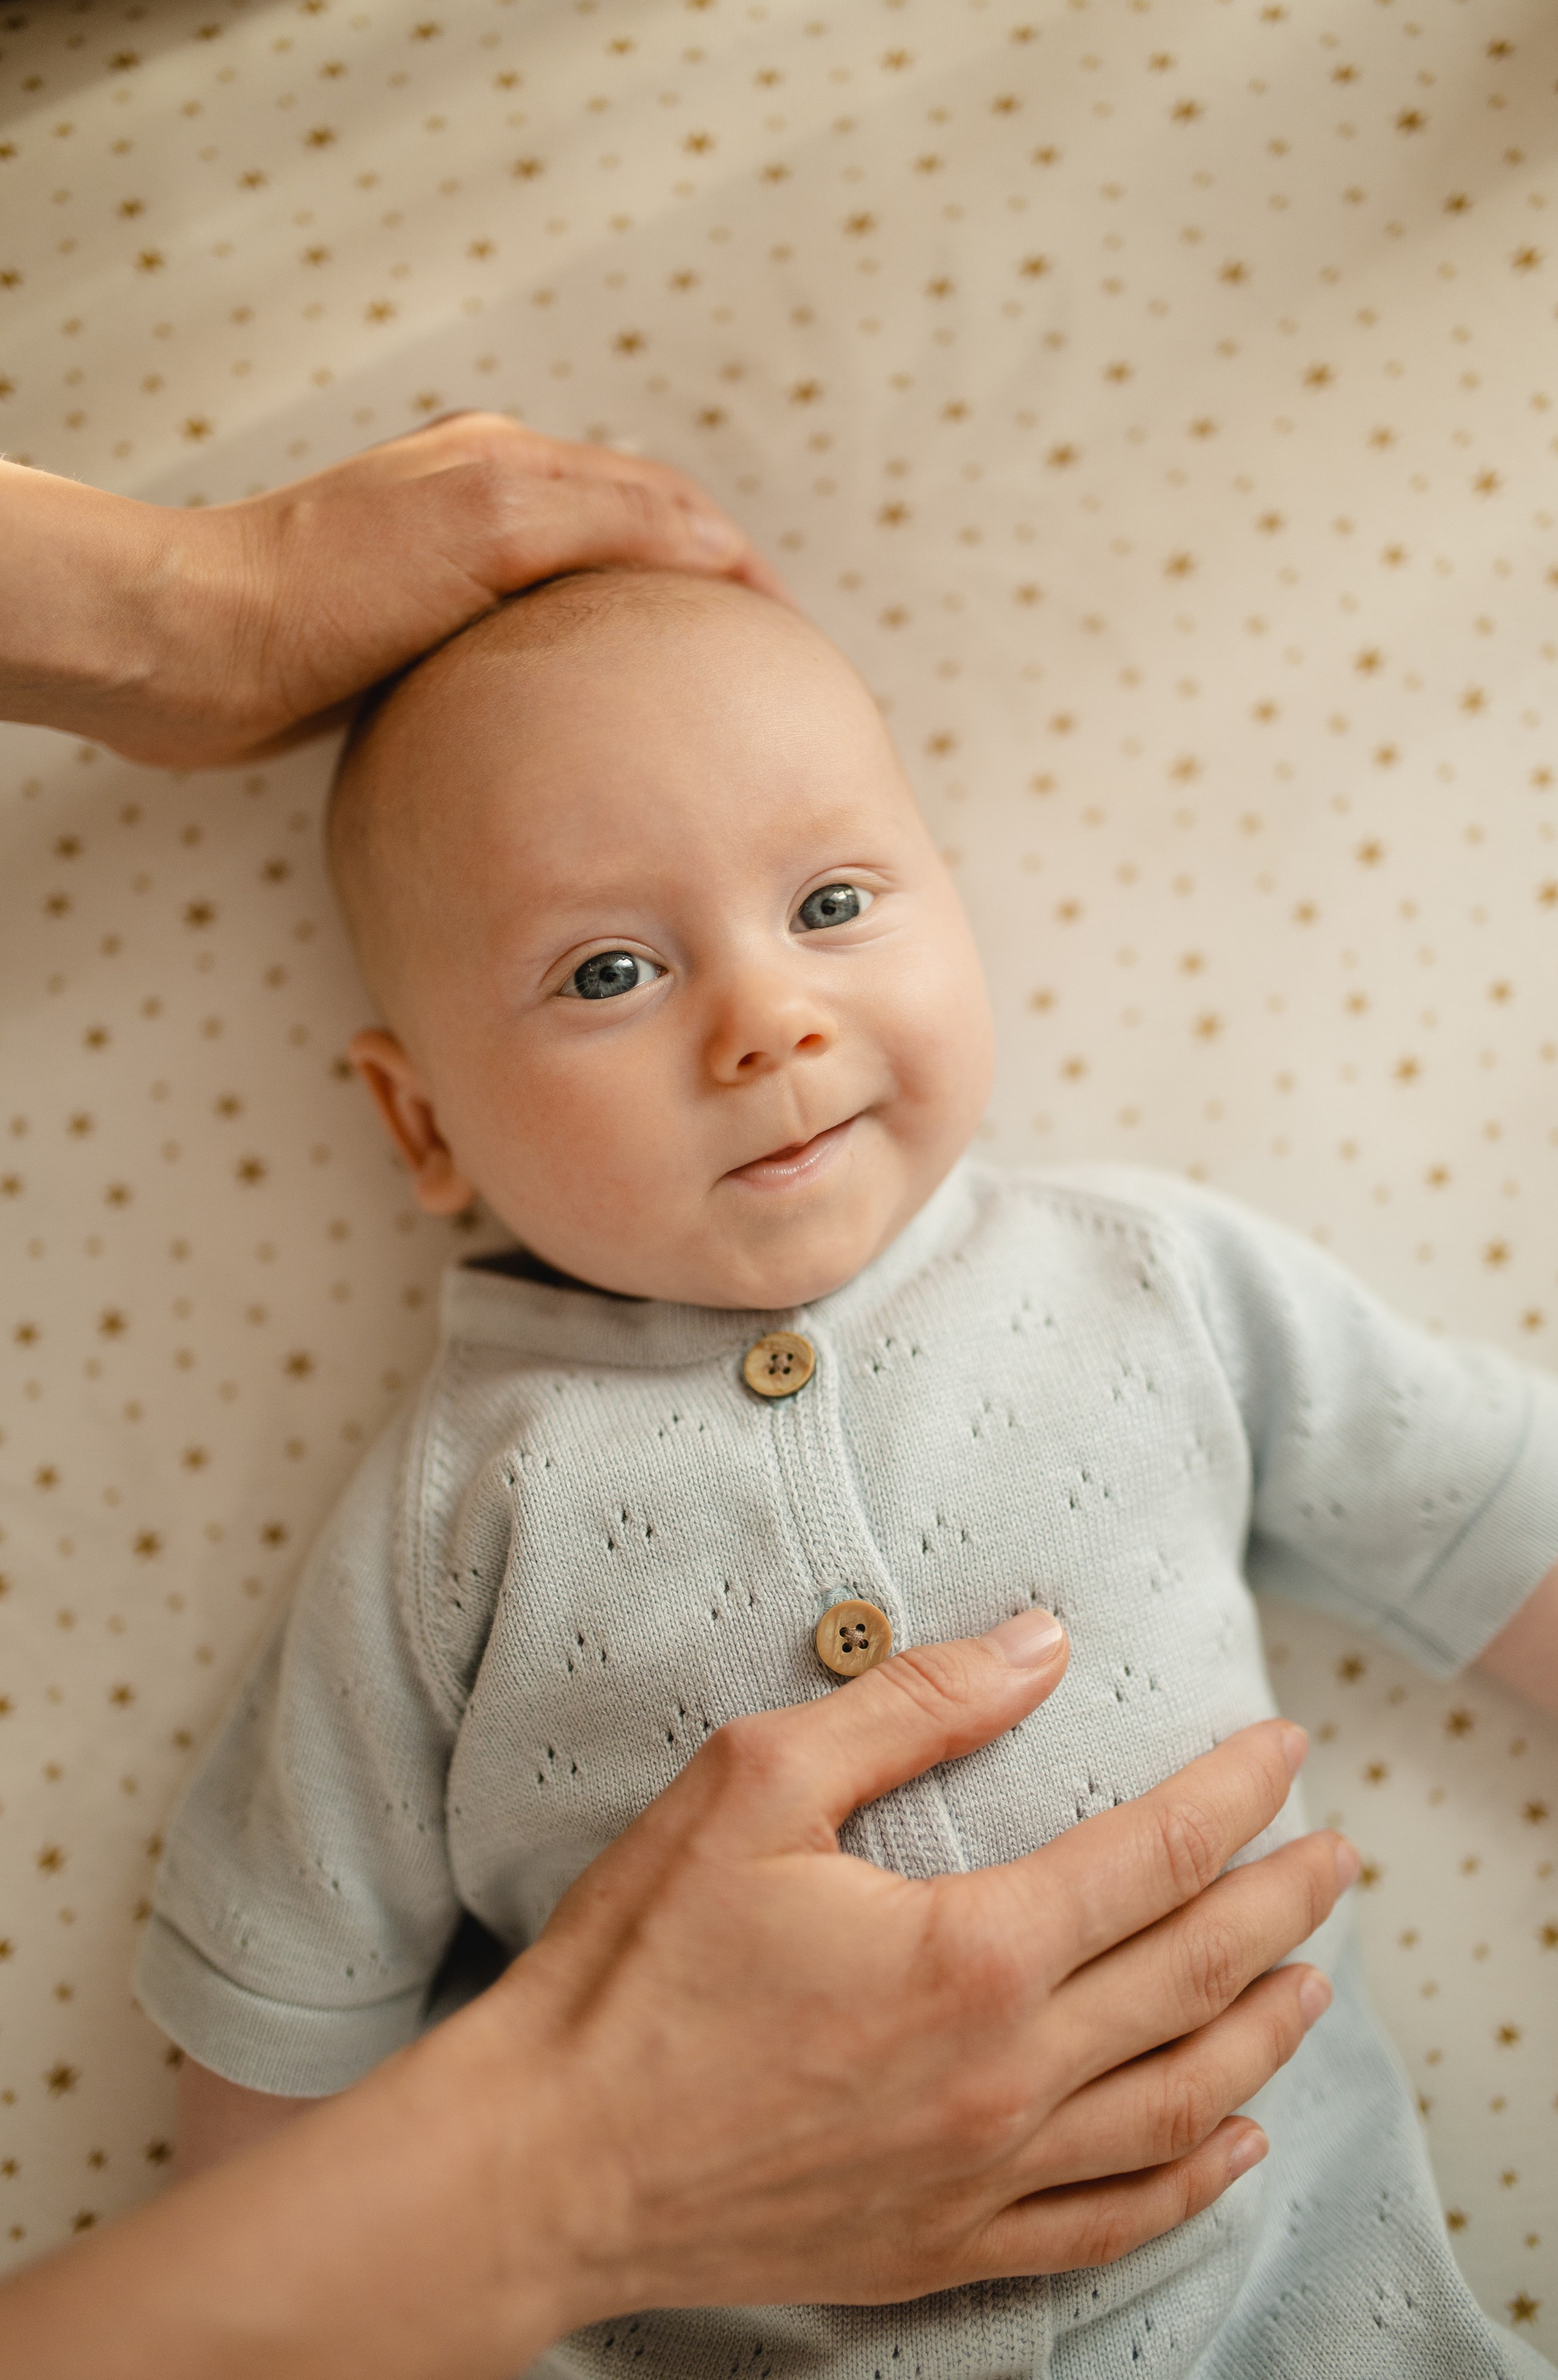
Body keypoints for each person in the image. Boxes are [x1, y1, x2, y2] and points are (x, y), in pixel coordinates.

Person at [0, 431, 1363, 2379]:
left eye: (832, 906)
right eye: (613, 970)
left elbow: (1509, 1511)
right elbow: (278, 2021)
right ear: (420, 1120)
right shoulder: (457, 1511)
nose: (767, 1021)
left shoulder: (1155, 1278)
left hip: (1304, 2309)